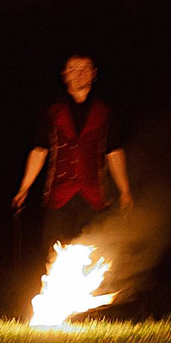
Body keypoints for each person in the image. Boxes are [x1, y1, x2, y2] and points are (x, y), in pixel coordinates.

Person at [11, 54, 132, 255]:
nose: (79, 74)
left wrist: (125, 190)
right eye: (73, 69)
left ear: (94, 73)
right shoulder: (52, 110)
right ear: (65, 75)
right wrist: (24, 188)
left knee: (96, 253)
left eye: (85, 68)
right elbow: (40, 150)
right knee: (54, 253)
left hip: (94, 196)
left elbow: (113, 152)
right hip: (59, 196)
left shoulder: (105, 110)